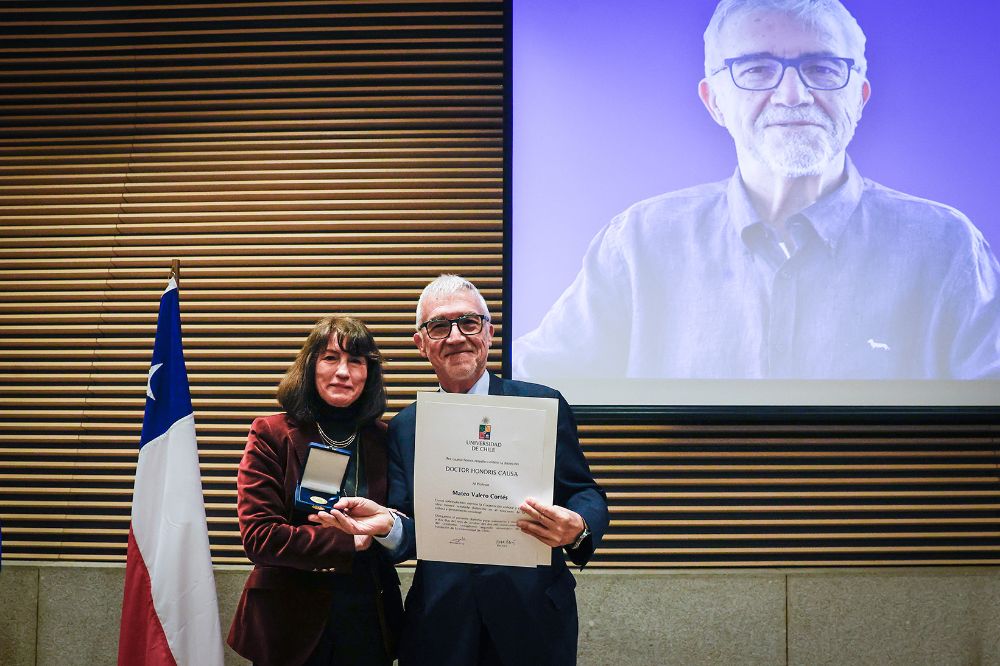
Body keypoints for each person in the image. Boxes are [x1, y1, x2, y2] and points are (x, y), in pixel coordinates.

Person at [513, 0, 1000, 380]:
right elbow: (529, 391)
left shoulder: (946, 248)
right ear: (714, 101)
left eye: (825, 68)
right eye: (756, 69)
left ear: (860, 95)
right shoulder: (639, 245)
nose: (793, 95)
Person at [310, 274, 610, 666]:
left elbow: (584, 492)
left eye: (468, 323)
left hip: (533, 619)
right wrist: (387, 525)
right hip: (441, 624)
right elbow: (411, 526)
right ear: (421, 344)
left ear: (488, 331)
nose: (455, 337)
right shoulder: (405, 427)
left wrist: (578, 525)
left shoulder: (542, 405)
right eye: (438, 326)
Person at [227, 316, 403, 666]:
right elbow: (259, 537)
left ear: (369, 373)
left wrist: (385, 528)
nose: (343, 371)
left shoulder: (386, 438)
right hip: (289, 623)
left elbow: (404, 521)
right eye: (330, 358)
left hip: (369, 617)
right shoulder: (271, 434)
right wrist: (348, 541)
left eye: (356, 361)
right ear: (310, 365)